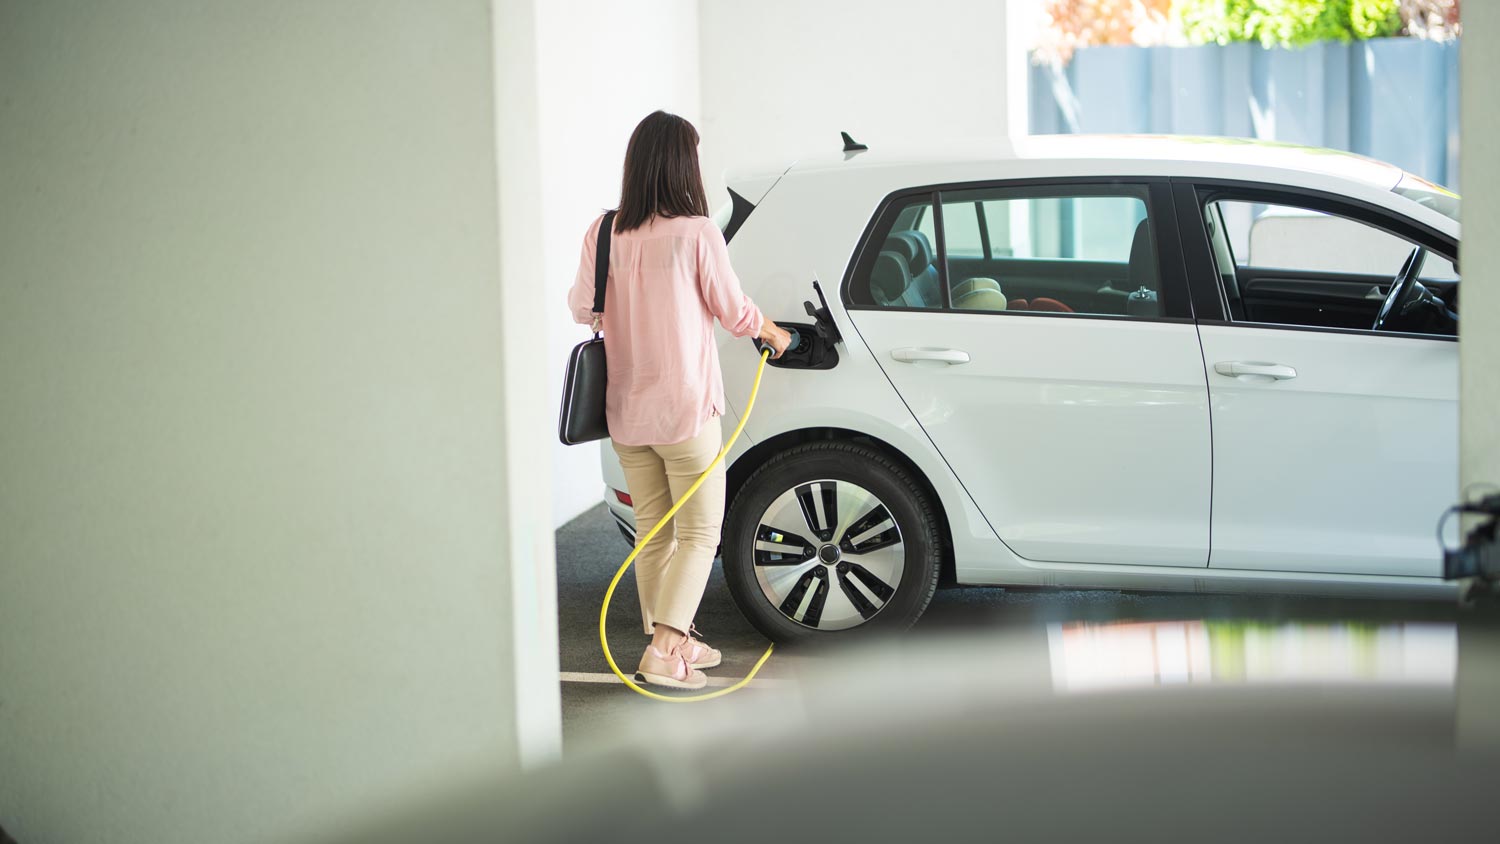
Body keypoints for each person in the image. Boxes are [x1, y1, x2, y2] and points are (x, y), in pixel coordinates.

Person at [569, 111, 793, 690]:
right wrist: (774, 332)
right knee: (697, 535)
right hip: (686, 412)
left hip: (626, 413)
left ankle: (676, 640)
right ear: (682, 165)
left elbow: (579, 308)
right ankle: (665, 654)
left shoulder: (604, 230)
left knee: (653, 531)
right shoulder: (697, 232)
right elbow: (733, 310)